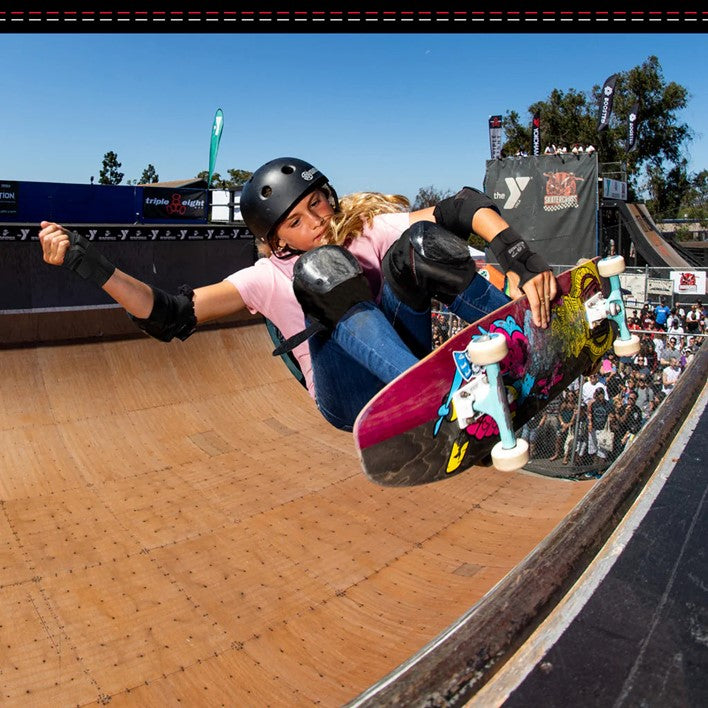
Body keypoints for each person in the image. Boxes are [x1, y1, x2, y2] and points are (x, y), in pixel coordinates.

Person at [38, 156, 557, 432]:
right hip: (347, 395)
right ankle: (431, 397)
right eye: (296, 220)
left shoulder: (363, 228)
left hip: (406, 353)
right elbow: (169, 315)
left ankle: (531, 336)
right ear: (275, 239)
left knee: (416, 244)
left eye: (318, 205)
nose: (317, 223)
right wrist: (88, 262)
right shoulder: (263, 279)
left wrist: (525, 261)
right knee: (322, 270)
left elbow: (459, 208)